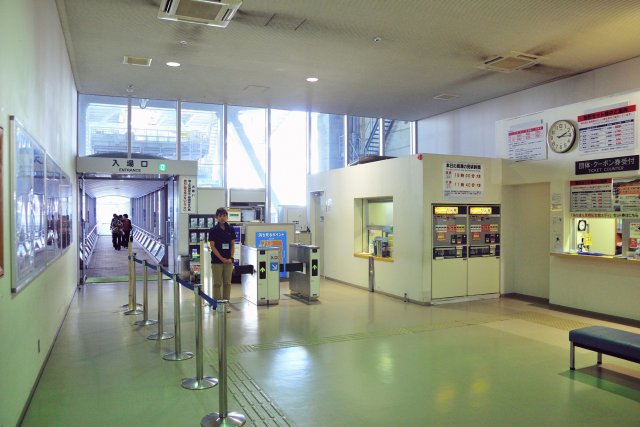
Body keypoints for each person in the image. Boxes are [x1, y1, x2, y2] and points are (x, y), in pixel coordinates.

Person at [208, 207, 235, 310]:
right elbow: (212, 246)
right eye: (220, 216)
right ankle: (217, 304)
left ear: (227, 217)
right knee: (217, 283)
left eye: (224, 215)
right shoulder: (213, 230)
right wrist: (222, 259)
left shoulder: (231, 229)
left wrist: (231, 258)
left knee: (227, 283)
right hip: (217, 261)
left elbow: (232, 244)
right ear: (216, 217)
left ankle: (226, 303)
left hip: (228, 261)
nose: (222, 218)